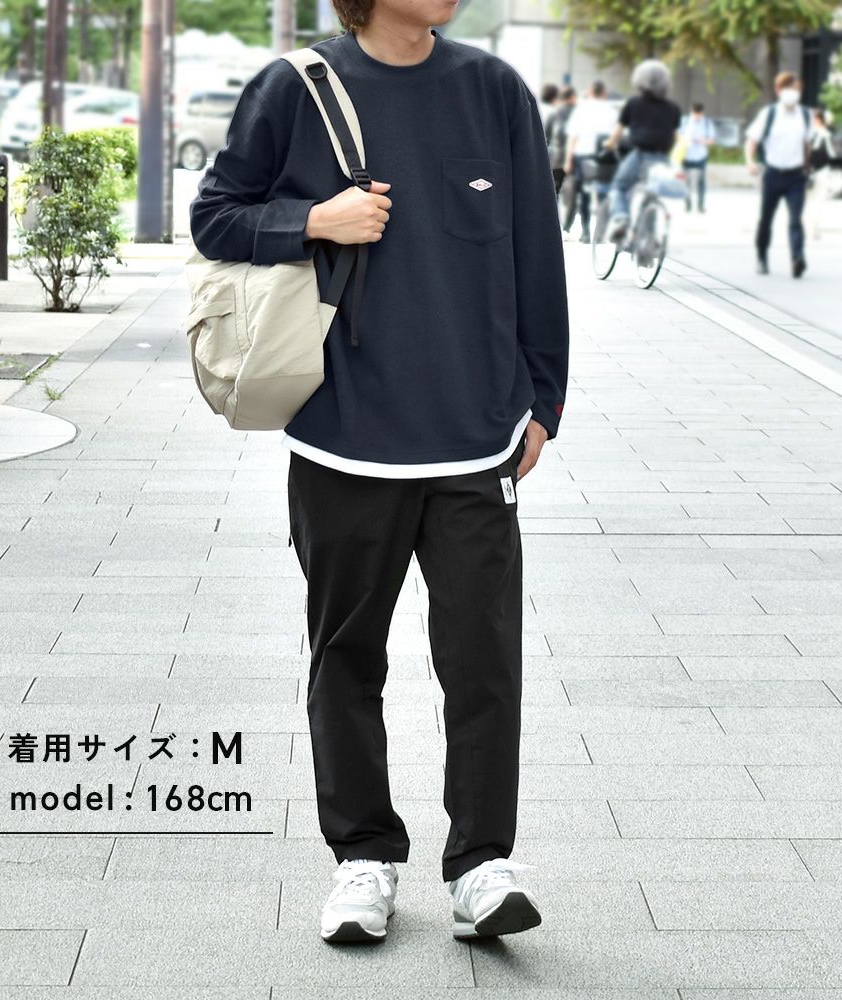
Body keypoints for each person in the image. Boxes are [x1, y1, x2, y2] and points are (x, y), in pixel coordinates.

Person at [189, 0, 569, 947]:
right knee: (347, 656)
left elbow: (536, 250)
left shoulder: (494, 90)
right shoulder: (295, 88)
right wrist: (315, 219)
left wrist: (544, 400)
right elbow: (213, 217)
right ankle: (362, 858)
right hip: (344, 434)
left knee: (483, 663)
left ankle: (481, 865)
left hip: (476, 439)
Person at [745, 71, 816, 278]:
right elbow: (752, 141)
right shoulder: (769, 114)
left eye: (796, 89)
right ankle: (761, 257)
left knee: (796, 219)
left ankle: (797, 258)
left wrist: (807, 166)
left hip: (796, 176)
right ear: (778, 90)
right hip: (773, 174)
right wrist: (750, 161)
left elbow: (808, 143)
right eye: (788, 89)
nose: (792, 93)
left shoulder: (805, 115)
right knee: (766, 219)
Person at [604, 59, 682, 241]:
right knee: (652, 195)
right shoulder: (673, 108)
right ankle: (649, 238)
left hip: (639, 155)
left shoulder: (633, 103)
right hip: (662, 158)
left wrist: (609, 144)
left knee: (619, 186)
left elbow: (618, 131)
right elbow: (676, 136)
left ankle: (621, 218)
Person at [563, 80, 619, 241]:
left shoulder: (581, 110)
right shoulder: (612, 111)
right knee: (603, 194)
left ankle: (586, 232)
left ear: (590, 92)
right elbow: (616, 138)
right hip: (605, 158)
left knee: (584, 195)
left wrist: (568, 160)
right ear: (604, 93)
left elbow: (573, 137)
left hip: (583, 156)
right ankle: (600, 233)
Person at [804, 107, 838, 241]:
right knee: (816, 202)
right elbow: (832, 155)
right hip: (821, 171)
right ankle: (812, 229)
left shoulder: (809, 133)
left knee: (808, 202)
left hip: (809, 172)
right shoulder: (825, 134)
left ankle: (808, 228)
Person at [680, 102, 715, 212]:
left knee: (701, 181)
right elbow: (677, 135)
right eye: (694, 113)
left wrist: (701, 141)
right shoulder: (685, 121)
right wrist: (686, 139)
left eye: (698, 114)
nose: (696, 116)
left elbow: (711, 140)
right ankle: (687, 204)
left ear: (702, 113)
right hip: (686, 154)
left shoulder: (707, 123)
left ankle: (700, 205)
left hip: (701, 155)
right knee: (686, 181)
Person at [546, 85, 577, 197]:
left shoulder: (554, 113)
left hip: (556, 157)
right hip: (574, 158)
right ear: (572, 97)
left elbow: (545, 136)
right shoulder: (578, 112)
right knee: (572, 191)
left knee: (555, 190)